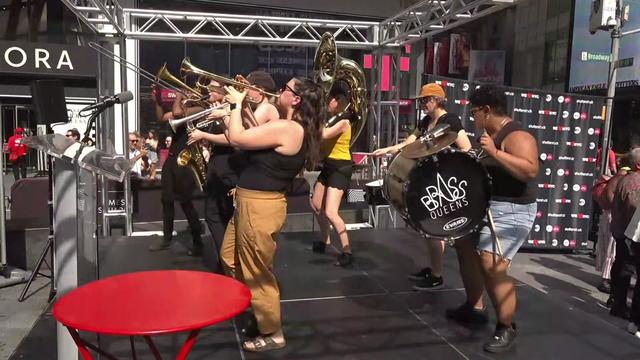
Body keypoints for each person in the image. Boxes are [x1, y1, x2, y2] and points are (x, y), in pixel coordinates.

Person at [219, 78, 323, 352]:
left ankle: (273, 332)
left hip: (260, 208)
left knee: (257, 272)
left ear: (296, 99)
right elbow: (251, 135)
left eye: (285, 89)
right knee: (230, 258)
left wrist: (235, 104)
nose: (279, 92)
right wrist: (239, 109)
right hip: (249, 204)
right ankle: (257, 311)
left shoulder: (290, 128)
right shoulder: (286, 127)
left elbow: (239, 138)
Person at [449, 84, 538, 353]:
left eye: (474, 111)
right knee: (463, 245)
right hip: (488, 205)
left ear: (487, 110)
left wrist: (495, 153)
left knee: (491, 264)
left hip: (513, 210)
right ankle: (475, 306)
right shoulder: (489, 134)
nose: (472, 117)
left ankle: (506, 326)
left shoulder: (516, 135)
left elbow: (531, 170)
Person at [372, 82, 472, 289]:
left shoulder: (450, 121)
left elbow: (467, 148)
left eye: (425, 100)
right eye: (422, 101)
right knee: (428, 229)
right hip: (429, 181)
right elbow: (410, 142)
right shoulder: (426, 121)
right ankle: (435, 270)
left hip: (444, 184)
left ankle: (437, 276)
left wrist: (448, 163)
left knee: (433, 228)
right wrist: (389, 149)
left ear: (437, 100)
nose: (423, 104)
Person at [188, 73, 279, 273]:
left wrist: (224, 118)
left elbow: (240, 137)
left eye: (249, 87)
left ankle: (233, 266)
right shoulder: (251, 107)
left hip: (243, 170)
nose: (244, 90)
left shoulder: (267, 108)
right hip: (235, 168)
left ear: (259, 89)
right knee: (218, 216)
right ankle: (228, 262)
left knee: (232, 221)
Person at [148, 88, 203, 256]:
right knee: (166, 200)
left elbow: (178, 113)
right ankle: (166, 238)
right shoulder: (183, 107)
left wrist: (179, 94)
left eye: (192, 93)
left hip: (185, 161)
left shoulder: (199, 109)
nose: (189, 95)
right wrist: (157, 101)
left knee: (185, 202)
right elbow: (161, 118)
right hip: (172, 159)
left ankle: (198, 242)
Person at [310, 81, 355, 267]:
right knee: (316, 205)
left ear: (344, 101)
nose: (331, 101)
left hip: (340, 167)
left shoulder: (344, 121)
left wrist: (310, 118)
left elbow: (324, 135)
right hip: (329, 166)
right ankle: (325, 240)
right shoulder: (332, 119)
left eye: (336, 98)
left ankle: (347, 251)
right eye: (331, 98)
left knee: (330, 211)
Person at [607, 149, 640, 336]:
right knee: (625, 269)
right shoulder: (635, 181)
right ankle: (619, 304)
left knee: (621, 266)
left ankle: (616, 301)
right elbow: (634, 209)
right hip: (630, 233)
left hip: (622, 230)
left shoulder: (625, 179)